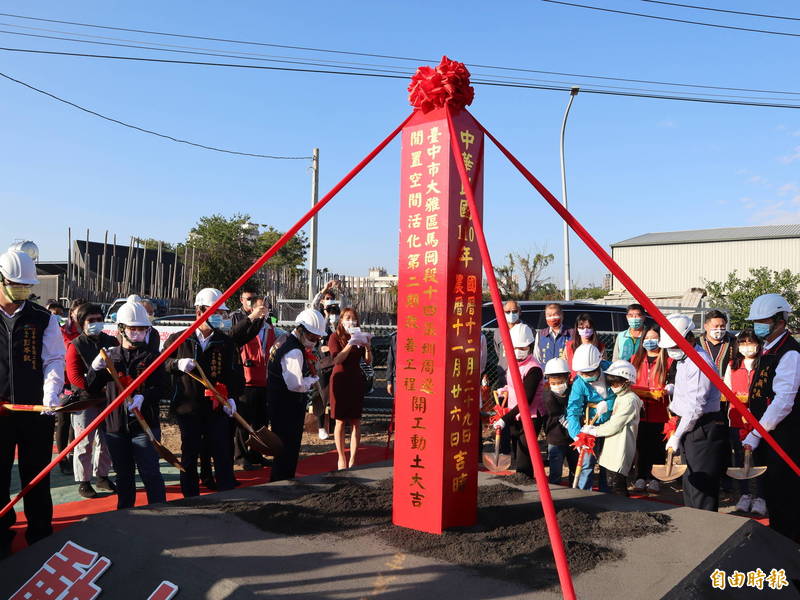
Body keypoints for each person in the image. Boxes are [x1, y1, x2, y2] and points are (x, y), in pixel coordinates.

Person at [0, 250, 65, 557]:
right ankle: (2, 536)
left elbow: (54, 359)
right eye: (16, 284)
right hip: (0, 412)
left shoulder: (43, 318)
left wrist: (50, 394)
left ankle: (41, 536)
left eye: (27, 285)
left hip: (36, 412)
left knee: (36, 476)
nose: (22, 290)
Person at [85, 301, 167, 509]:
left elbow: (163, 388)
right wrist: (95, 369)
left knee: (150, 472)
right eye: (133, 329)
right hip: (115, 427)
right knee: (123, 475)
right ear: (121, 329)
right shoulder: (110, 357)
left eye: (142, 329)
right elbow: (91, 388)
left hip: (145, 425)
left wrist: (144, 397)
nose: (138, 333)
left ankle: (160, 511)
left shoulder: (152, 357)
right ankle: (125, 513)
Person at [164, 288, 242, 498]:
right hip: (188, 407)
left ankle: (227, 494)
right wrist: (176, 363)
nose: (220, 317)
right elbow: (161, 364)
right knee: (190, 453)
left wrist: (232, 397)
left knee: (222, 452)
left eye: (221, 313)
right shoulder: (179, 339)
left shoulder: (226, 342)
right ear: (199, 311)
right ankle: (190, 497)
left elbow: (234, 374)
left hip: (216, 407)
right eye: (214, 312)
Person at [741, 294, 800, 541]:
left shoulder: (790, 354)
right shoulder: (768, 350)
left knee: (787, 498)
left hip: (785, 438)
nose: (757, 326)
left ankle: (790, 553)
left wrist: (757, 434)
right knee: (774, 495)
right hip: (768, 436)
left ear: (780, 321)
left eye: (762, 320)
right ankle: (780, 542)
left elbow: (783, 402)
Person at [661, 313, 728, 512]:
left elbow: (695, 406)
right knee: (690, 481)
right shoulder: (684, 359)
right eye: (670, 348)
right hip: (689, 424)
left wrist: (677, 435)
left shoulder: (699, 363)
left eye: (675, 347)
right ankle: (693, 524)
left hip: (702, 427)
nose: (672, 351)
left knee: (702, 487)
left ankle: (704, 533)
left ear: (689, 338)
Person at [64, 303, 116, 499]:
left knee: (107, 440)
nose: (96, 323)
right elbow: (74, 377)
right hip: (85, 400)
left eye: (99, 319)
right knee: (84, 442)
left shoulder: (111, 341)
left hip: (107, 398)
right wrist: (93, 384)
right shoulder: (75, 345)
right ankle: (83, 481)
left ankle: (102, 476)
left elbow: (119, 366)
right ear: (82, 323)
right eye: (91, 321)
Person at [266, 309, 323, 481]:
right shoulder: (294, 351)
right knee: (287, 451)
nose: (314, 342)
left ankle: (280, 481)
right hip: (287, 407)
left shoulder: (283, 340)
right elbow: (295, 384)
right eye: (312, 337)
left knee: (282, 450)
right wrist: (311, 381)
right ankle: (281, 484)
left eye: (317, 338)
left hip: (277, 403)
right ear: (301, 330)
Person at [229, 286, 275, 469]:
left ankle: (256, 454)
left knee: (261, 421)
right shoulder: (242, 322)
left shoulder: (270, 326)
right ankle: (240, 456)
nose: (264, 311)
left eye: (266, 308)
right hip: (247, 380)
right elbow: (235, 339)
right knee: (244, 420)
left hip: (264, 379)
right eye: (260, 308)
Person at [582, 361, 642, 496]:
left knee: (617, 485)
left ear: (627, 382)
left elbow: (615, 425)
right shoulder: (621, 397)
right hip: (613, 446)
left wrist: (594, 430)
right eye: (611, 383)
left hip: (621, 446)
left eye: (616, 383)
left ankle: (623, 512)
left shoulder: (630, 400)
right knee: (611, 482)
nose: (613, 386)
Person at [723, 329, 766, 516]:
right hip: (737, 418)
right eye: (743, 343)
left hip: (760, 419)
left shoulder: (765, 364)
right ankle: (744, 494)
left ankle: (761, 497)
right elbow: (727, 390)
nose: (747, 347)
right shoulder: (733, 365)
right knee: (740, 457)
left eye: (750, 342)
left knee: (761, 458)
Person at [492, 324, 544, 478]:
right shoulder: (513, 364)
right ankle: (522, 479)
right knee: (517, 450)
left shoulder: (533, 369)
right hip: (515, 415)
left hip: (531, 416)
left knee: (524, 457)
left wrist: (504, 419)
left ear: (530, 346)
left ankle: (527, 483)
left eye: (522, 347)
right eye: (515, 347)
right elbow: (515, 385)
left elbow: (526, 399)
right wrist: (505, 390)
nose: (518, 351)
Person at [566, 344, 616, 490]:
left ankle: (605, 493)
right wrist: (576, 436)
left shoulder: (611, 371)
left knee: (607, 462)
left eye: (590, 372)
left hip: (611, 424)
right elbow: (573, 410)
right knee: (586, 463)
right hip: (589, 426)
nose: (587, 376)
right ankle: (583, 494)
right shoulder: (579, 382)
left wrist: (610, 404)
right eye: (583, 373)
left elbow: (624, 392)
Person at [630, 325, 672, 493]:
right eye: (646, 338)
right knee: (640, 445)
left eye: (653, 338)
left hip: (659, 411)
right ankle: (640, 476)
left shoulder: (668, 360)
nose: (649, 341)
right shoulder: (635, 359)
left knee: (657, 446)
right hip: (639, 410)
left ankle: (655, 478)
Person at [328, 308, 372, 470]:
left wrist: (367, 346)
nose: (351, 321)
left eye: (354, 319)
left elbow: (368, 361)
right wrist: (350, 343)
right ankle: (341, 458)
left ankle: (353, 459)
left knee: (356, 421)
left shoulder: (359, 336)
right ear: (341, 320)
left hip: (355, 380)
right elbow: (337, 359)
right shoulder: (334, 337)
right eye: (347, 318)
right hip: (340, 380)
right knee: (339, 420)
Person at [542, 358, 578, 484]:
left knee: (575, 469)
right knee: (556, 472)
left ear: (567, 378)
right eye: (554, 383)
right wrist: (575, 429)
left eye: (560, 382)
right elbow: (559, 416)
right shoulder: (548, 396)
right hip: (556, 439)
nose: (557, 386)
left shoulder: (573, 391)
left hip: (572, 439)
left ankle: (576, 492)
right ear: (548, 381)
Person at [565, 312, 606, 377]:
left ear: (593, 328)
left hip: (594, 380)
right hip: (574, 381)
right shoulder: (569, 346)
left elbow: (603, 365)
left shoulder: (600, 346)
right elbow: (565, 365)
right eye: (581, 328)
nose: (585, 330)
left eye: (588, 327)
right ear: (577, 329)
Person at [493, 300, 524, 377]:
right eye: (507, 312)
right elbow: (498, 351)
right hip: (504, 374)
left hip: (522, 373)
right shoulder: (498, 331)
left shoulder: (528, 330)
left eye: (514, 311)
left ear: (520, 312)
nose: (511, 314)